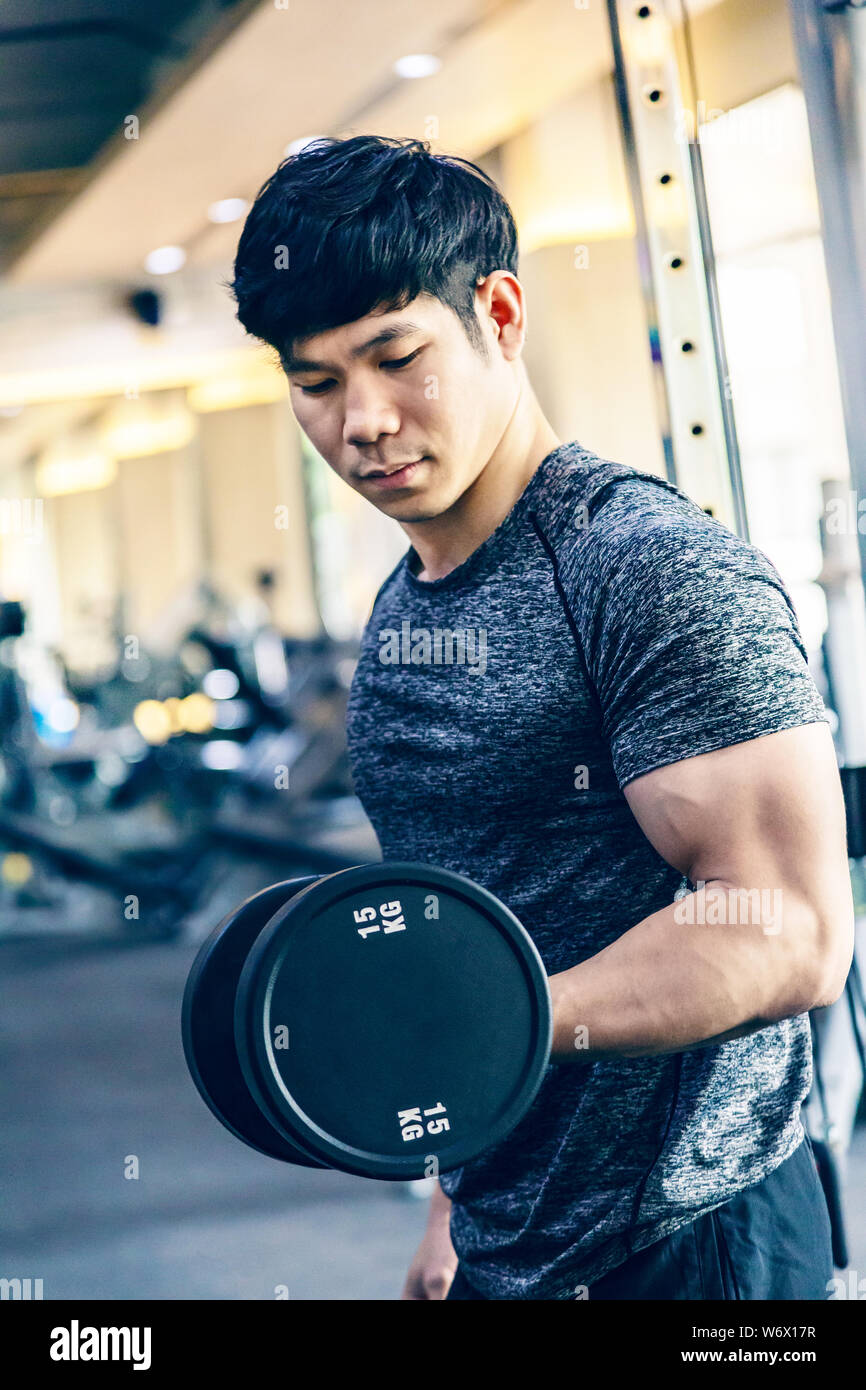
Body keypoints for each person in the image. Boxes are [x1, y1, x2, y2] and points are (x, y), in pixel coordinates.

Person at [230, 134, 854, 1300]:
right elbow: (458, 912)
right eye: (315, 383)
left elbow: (789, 929)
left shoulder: (649, 572)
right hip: (510, 1231)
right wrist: (446, 1195)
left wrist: (484, 1030)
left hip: (690, 1239)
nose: (359, 420)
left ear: (499, 315)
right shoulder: (408, 602)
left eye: (394, 356)